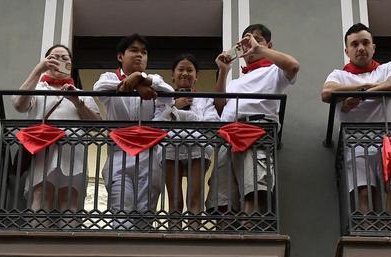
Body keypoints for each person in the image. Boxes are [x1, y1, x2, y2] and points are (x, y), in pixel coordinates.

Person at [209, 24, 299, 217]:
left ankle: (251, 239)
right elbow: (219, 107)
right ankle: (224, 245)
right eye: (246, 41)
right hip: (227, 137)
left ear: (269, 45)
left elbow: (293, 65)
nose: (250, 45)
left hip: (255, 133)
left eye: (257, 39)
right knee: (222, 202)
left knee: (254, 191)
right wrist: (223, 71)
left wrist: (260, 49)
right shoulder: (235, 81)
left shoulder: (274, 71)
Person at [321, 24, 391, 214]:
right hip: (356, 144)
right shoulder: (339, 75)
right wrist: (365, 87)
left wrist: (363, 93)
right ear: (347, 50)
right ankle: (368, 236)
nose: (360, 48)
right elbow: (327, 93)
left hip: (389, 142)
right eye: (355, 44)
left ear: (373, 47)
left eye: (366, 43)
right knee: (364, 194)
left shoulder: (386, 68)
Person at [92, 34, 173, 224]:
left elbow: (169, 96)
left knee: (145, 216)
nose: (140, 55)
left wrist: (141, 77)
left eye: (144, 52)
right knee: (121, 212)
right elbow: (99, 88)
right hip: (119, 156)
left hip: (150, 157)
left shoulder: (154, 80)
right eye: (134, 50)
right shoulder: (110, 77)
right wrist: (136, 84)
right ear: (121, 56)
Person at [13, 44, 100, 216]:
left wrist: (77, 101)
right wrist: (38, 70)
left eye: (64, 58)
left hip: (73, 153)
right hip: (42, 152)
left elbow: (96, 124)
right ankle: (37, 241)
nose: (59, 61)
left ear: (70, 65)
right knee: (40, 195)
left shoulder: (82, 94)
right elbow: (18, 104)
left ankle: (68, 241)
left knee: (70, 201)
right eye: (54, 57)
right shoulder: (37, 89)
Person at [157, 54, 215, 226]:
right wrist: (174, 107)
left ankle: (194, 236)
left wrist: (181, 114)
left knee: (195, 197)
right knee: (174, 200)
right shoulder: (163, 99)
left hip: (197, 147)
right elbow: (156, 124)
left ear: (196, 76)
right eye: (180, 69)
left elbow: (211, 122)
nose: (185, 73)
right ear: (172, 75)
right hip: (170, 148)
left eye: (190, 70)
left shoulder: (205, 98)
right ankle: (174, 236)